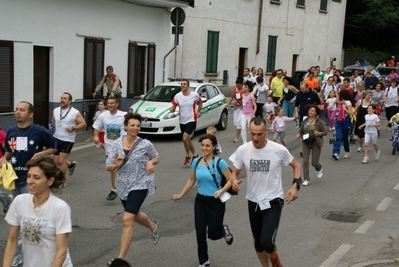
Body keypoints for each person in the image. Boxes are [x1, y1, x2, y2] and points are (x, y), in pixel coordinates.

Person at [229, 117, 301, 267]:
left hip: (273, 200)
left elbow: (297, 166)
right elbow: (234, 172)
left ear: (266, 132)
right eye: (252, 134)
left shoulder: (278, 150)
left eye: (259, 134)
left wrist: (295, 186)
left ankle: (276, 262)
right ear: (249, 132)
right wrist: (233, 181)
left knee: (267, 242)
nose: (255, 138)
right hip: (253, 201)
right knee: (258, 244)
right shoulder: (243, 150)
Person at [0, 101, 57, 266]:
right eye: (16, 110)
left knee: (24, 218)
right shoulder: (11, 131)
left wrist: (41, 154)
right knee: (24, 218)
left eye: (22, 110)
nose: (18, 112)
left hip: (30, 181)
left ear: (30, 114)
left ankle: (20, 253)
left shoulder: (39, 131)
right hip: (14, 180)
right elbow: (9, 152)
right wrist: (3, 160)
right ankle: (38, 244)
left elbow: (53, 147)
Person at [173, 134, 234, 267]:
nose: (204, 148)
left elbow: (231, 180)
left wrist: (221, 191)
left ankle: (223, 230)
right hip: (200, 200)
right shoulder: (196, 162)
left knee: (213, 233)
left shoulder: (220, 162)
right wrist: (181, 194)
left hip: (216, 201)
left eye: (207, 145)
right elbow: (191, 180)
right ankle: (204, 261)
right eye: (202, 145)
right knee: (200, 232)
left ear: (213, 147)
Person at [106, 112, 160, 261]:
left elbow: (156, 157)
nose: (135, 128)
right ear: (125, 126)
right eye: (132, 125)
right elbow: (108, 166)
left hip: (140, 183)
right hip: (123, 185)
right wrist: (116, 164)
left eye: (138, 125)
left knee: (127, 219)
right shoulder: (117, 144)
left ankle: (120, 259)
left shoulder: (145, 144)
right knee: (134, 215)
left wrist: (150, 162)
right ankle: (152, 226)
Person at [3, 156, 72, 267]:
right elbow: (12, 240)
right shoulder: (19, 201)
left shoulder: (60, 207)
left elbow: (61, 251)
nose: (30, 181)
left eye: (36, 177)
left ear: (50, 181)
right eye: (29, 176)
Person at [93, 97, 127, 200]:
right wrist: (96, 136)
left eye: (112, 103)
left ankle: (125, 187)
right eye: (108, 103)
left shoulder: (124, 115)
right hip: (109, 146)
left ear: (117, 104)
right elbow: (96, 127)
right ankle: (114, 190)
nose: (110, 105)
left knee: (124, 168)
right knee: (113, 168)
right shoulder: (103, 115)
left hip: (122, 145)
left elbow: (134, 122)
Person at [51, 92, 86, 177]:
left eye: (65, 98)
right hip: (56, 137)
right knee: (56, 161)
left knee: (62, 160)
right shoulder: (55, 110)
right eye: (61, 98)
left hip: (67, 139)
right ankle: (71, 165)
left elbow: (83, 123)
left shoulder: (75, 112)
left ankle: (62, 180)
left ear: (70, 101)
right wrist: (51, 125)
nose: (62, 100)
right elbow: (53, 121)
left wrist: (73, 128)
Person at [170, 79, 202, 165]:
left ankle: (188, 156)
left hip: (192, 119)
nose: (183, 85)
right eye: (181, 84)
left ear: (188, 86)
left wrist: (198, 112)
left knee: (184, 138)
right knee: (187, 139)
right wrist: (172, 109)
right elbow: (173, 106)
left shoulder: (194, 95)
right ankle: (195, 155)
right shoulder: (177, 96)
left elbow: (200, 102)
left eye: (184, 84)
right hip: (182, 120)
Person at [296, 104, 327, 186]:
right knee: (305, 161)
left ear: (316, 112)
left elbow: (325, 132)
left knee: (314, 162)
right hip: (305, 142)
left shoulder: (319, 122)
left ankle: (319, 168)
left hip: (315, 142)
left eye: (313, 111)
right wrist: (299, 134)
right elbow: (301, 130)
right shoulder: (305, 120)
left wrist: (319, 133)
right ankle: (306, 179)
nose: (311, 112)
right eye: (310, 110)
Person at [332, 90, 354, 160]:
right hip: (338, 120)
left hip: (346, 120)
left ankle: (347, 150)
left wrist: (345, 109)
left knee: (345, 137)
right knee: (337, 136)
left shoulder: (348, 102)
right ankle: (336, 153)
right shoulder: (339, 102)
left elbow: (350, 113)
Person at [225, 78, 245, 143]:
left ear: (242, 84)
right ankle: (240, 129)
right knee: (235, 123)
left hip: (242, 108)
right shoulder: (234, 90)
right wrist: (227, 104)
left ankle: (237, 137)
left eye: (239, 86)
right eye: (237, 85)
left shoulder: (245, 90)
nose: (238, 87)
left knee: (238, 122)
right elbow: (231, 97)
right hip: (236, 108)